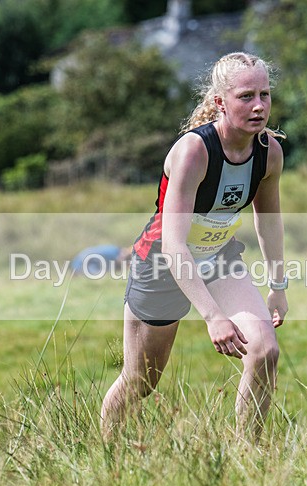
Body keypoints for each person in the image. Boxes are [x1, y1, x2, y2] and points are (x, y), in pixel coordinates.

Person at [101, 52, 288, 441]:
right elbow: (173, 245)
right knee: (141, 380)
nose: (258, 106)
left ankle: (247, 454)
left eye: (265, 95)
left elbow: (267, 221)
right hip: (162, 264)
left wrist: (278, 286)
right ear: (220, 102)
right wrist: (213, 316)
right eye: (245, 96)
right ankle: (105, 452)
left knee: (265, 351)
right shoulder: (194, 151)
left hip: (219, 257)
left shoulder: (269, 152)